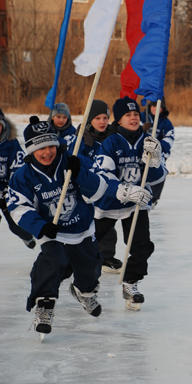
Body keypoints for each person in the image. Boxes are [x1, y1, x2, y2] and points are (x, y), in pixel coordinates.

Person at [7, 116, 111, 340]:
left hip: (81, 227)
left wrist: (80, 173)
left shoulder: (73, 161)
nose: (47, 152)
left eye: (51, 145)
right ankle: (44, 306)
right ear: (31, 150)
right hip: (51, 231)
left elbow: (99, 190)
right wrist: (41, 227)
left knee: (89, 267)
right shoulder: (22, 176)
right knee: (51, 262)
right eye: (40, 147)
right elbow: (18, 207)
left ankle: (83, 292)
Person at [93, 96, 167, 311]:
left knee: (142, 245)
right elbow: (102, 175)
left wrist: (154, 161)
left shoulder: (149, 140)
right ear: (119, 120)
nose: (133, 118)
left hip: (137, 204)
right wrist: (125, 191)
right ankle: (82, 282)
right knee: (89, 246)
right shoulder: (111, 142)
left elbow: (157, 178)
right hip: (109, 203)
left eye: (136, 114)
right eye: (128, 115)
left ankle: (130, 283)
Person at [68, 100, 122, 274]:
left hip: (107, 189)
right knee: (85, 226)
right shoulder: (80, 139)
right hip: (86, 190)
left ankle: (106, 256)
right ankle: (74, 256)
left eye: (105, 118)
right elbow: (73, 161)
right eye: (97, 118)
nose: (102, 122)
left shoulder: (113, 138)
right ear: (89, 119)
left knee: (107, 226)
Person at [0, 107, 36, 248]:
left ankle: (27, 236)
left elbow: (18, 169)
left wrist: (12, 188)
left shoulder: (11, 143)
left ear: (4, 126)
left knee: (15, 224)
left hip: (6, 189)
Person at [141, 98, 175, 205]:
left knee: (159, 174)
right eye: (153, 106)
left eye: (158, 106)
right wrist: (142, 128)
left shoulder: (166, 122)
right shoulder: (142, 117)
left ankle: (154, 198)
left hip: (159, 154)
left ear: (162, 108)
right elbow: (133, 131)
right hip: (142, 152)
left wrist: (157, 149)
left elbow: (170, 137)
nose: (155, 109)